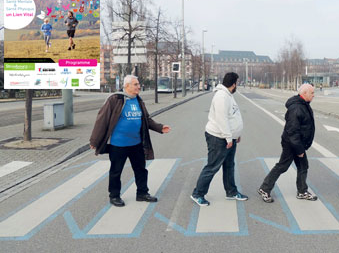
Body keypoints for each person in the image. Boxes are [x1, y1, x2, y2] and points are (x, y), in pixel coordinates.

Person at [89, 75, 171, 207]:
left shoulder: (138, 100)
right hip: (118, 144)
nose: (139, 86)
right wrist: (95, 140)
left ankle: (142, 193)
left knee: (141, 170)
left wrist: (160, 128)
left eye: (138, 84)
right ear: (127, 86)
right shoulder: (115, 99)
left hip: (136, 144)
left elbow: (146, 119)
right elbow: (102, 120)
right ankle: (114, 196)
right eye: (135, 84)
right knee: (116, 171)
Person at [191, 72, 247, 206]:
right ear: (233, 84)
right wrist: (228, 137)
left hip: (229, 137)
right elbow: (222, 119)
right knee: (212, 166)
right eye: (237, 83)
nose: (237, 85)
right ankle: (197, 193)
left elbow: (232, 116)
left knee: (229, 165)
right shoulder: (222, 96)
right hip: (218, 137)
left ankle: (231, 191)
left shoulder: (228, 95)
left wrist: (235, 135)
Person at [258, 83, 318, 203]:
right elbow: (292, 131)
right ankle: (265, 188)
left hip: (298, 143)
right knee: (283, 166)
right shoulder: (297, 108)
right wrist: (299, 150)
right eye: (312, 93)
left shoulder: (303, 104)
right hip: (292, 144)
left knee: (303, 166)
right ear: (304, 93)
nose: (314, 95)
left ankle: (302, 191)